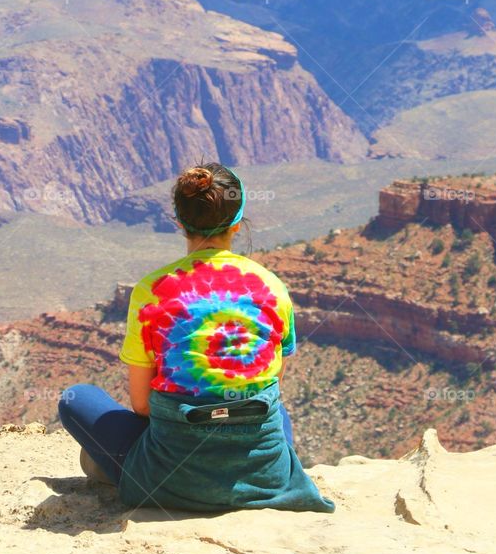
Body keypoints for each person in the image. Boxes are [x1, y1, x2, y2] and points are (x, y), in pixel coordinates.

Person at [58, 163, 335, 513]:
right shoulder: (272, 287)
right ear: (237, 222)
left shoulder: (151, 291)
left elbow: (142, 406)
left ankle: (124, 467)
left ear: (178, 221)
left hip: (167, 479)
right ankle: (245, 476)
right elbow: (272, 384)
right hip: (265, 477)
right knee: (277, 412)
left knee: (76, 399)